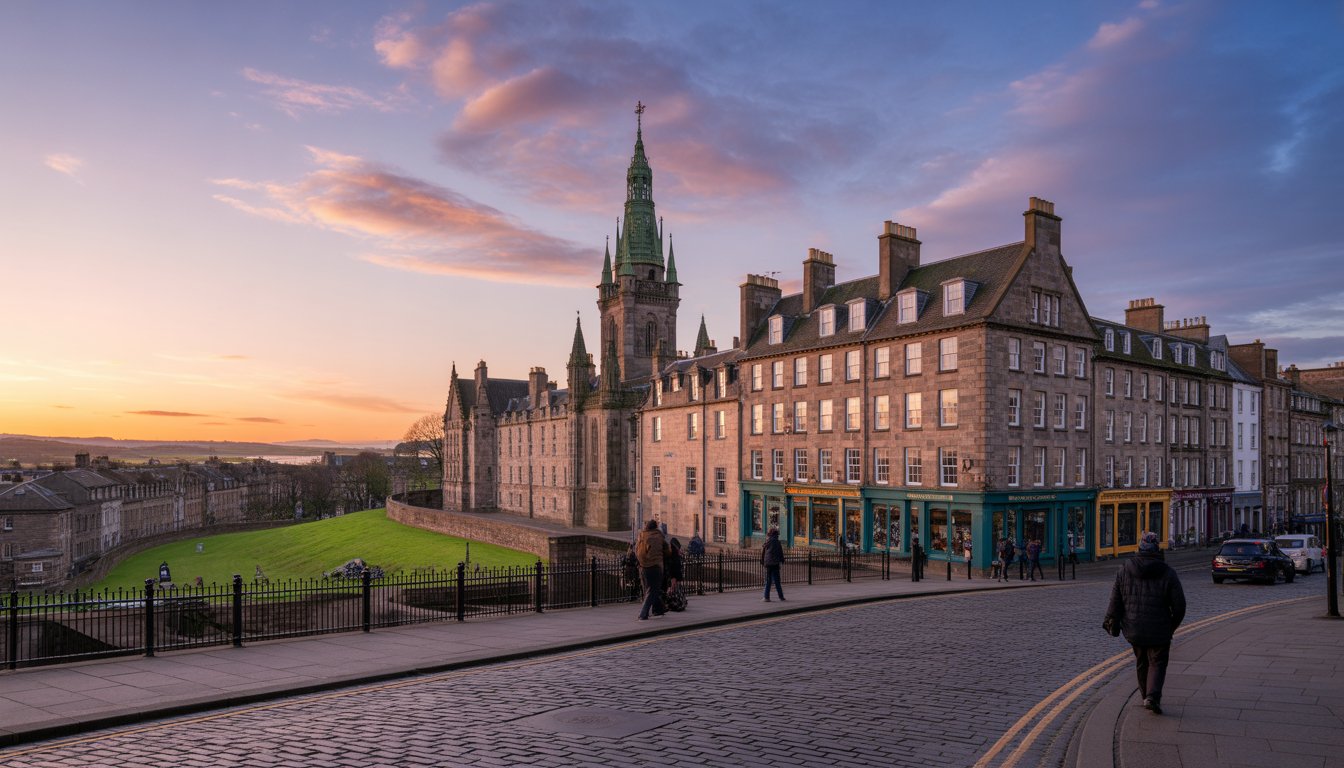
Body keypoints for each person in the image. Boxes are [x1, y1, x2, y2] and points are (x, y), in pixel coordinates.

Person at [1104, 531, 1186, 715]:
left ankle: (1145, 696)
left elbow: (1115, 600)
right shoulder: (1168, 572)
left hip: (1134, 628)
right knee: (1157, 661)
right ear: (1157, 549)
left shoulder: (1124, 568)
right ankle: (1152, 696)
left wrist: (1111, 621)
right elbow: (1180, 606)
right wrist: (1171, 626)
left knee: (1142, 661)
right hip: (1159, 628)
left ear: (1139, 548)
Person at [635, 519, 670, 620]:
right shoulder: (658, 536)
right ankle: (643, 614)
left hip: (642, 566)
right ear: (655, 527)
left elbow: (636, 549)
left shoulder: (642, 535)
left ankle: (658, 609)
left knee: (650, 589)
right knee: (652, 590)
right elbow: (667, 551)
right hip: (655, 566)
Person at [761, 526, 785, 601]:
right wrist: (782, 560)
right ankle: (781, 597)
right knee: (777, 581)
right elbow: (780, 553)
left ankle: (766, 597)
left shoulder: (768, 541)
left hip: (768, 564)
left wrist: (762, 561)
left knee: (768, 581)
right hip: (775, 564)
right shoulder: (777, 542)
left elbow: (764, 552)